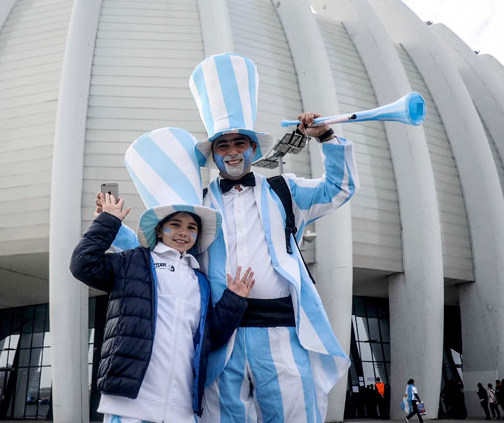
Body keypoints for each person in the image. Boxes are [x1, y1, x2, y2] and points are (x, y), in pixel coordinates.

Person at [103, 54, 359, 422]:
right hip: (224, 335)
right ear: (213, 156)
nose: (233, 152)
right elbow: (158, 254)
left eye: (240, 143)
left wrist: (327, 137)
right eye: (223, 146)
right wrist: (113, 227)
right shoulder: (199, 204)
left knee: (294, 415)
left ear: (254, 149)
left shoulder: (286, 191)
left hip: (283, 331)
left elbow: (340, 187)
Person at [71, 128, 255, 422]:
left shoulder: (201, 281)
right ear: (159, 230)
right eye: (175, 225)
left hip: (181, 406)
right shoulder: (133, 263)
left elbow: (209, 338)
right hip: (129, 403)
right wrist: (107, 221)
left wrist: (234, 301)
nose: (183, 233)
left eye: (191, 227)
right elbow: (83, 264)